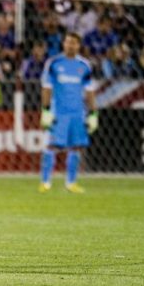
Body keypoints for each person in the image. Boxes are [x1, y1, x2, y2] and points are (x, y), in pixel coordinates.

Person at [38, 32, 98, 194]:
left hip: (78, 113)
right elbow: (46, 88)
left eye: (74, 43)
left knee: (77, 147)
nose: (70, 45)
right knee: (51, 145)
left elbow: (89, 91)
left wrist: (93, 114)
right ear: (63, 44)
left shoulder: (84, 66)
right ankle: (45, 182)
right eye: (68, 42)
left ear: (79, 46)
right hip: (59, 112)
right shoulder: (54, 63)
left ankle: (71, 183)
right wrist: (46, 110)